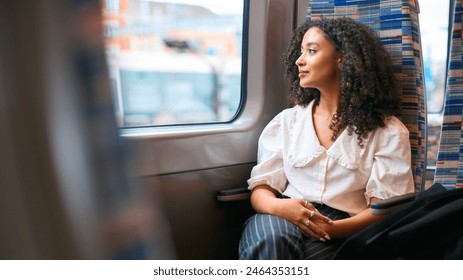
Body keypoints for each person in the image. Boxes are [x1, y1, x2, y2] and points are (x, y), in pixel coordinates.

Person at [238, 17, 415, 260]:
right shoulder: (287, 122)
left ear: (341, 58)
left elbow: (382, 209)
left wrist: (332, 229)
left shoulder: (388, 131)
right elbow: (261, 189)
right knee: (271, 239)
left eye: (311, 51)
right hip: (283, 214)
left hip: (348, 226)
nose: (299, 61)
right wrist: (279, 207)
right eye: (301, 52)